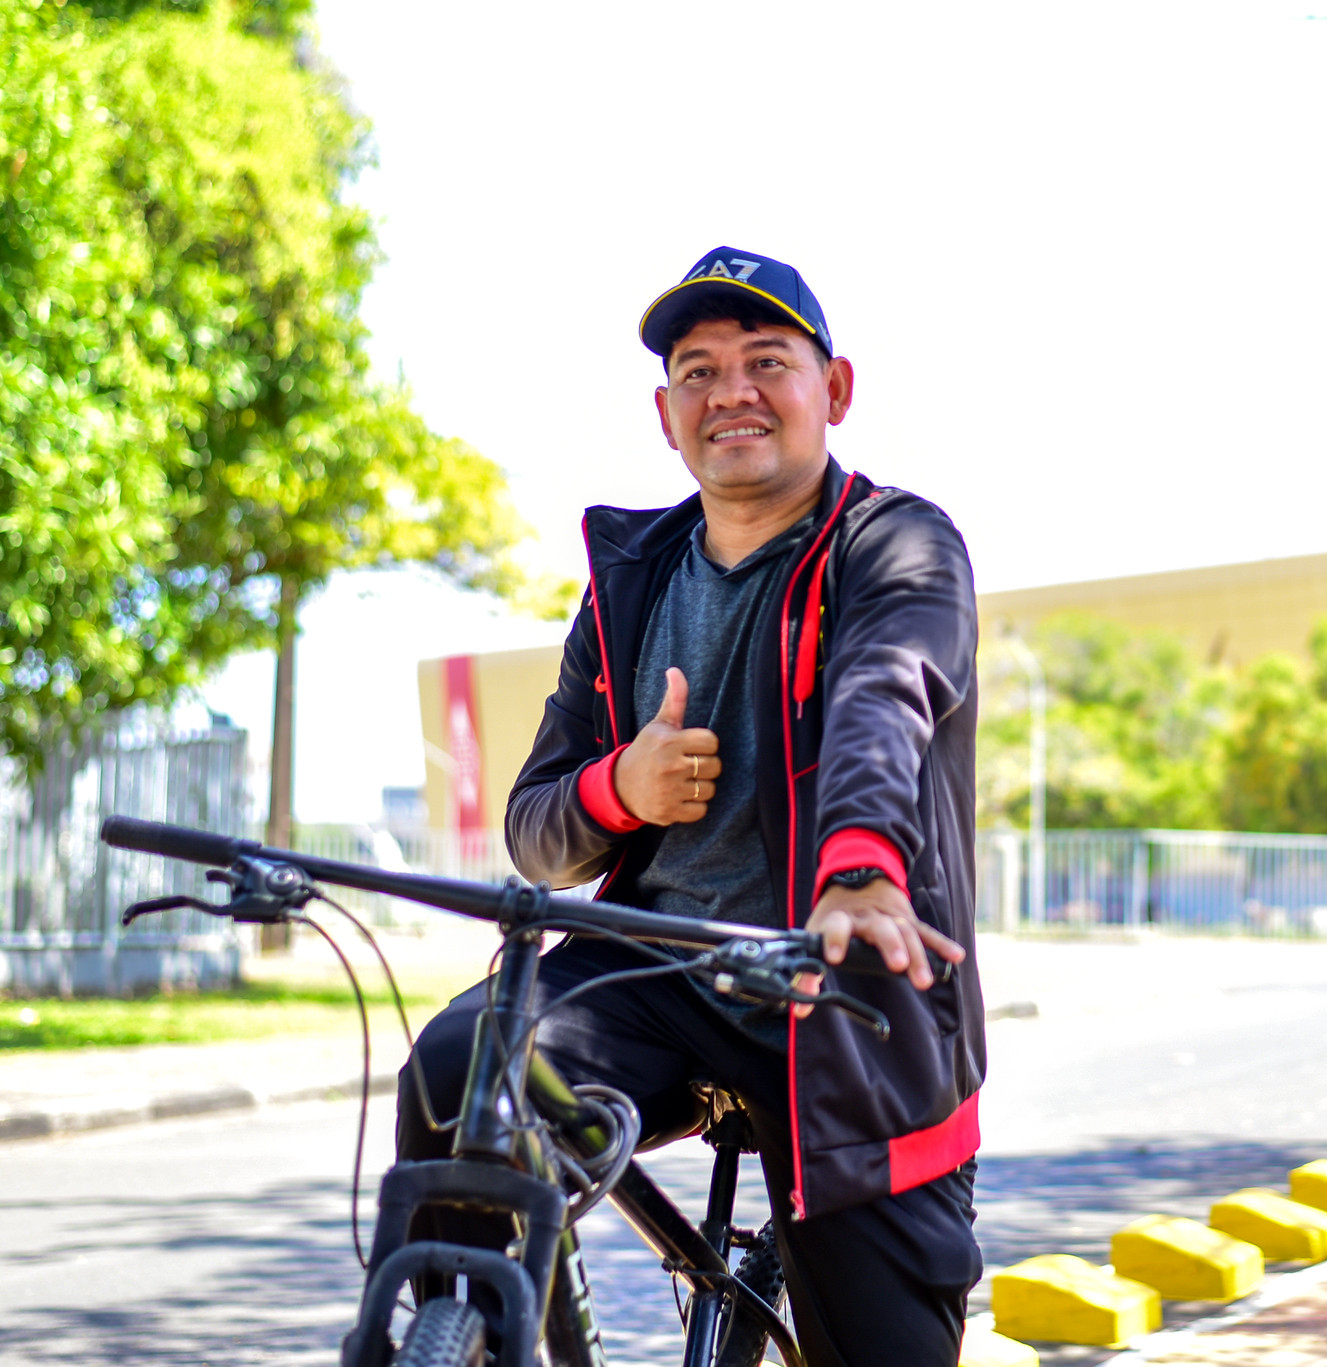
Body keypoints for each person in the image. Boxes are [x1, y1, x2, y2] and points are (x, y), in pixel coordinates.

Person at [395, 247, 985, 1367]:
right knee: (460, 1064)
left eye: (767, 361)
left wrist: (856, 864)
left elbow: (883, 701)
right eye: (698, 370)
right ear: (667, 415)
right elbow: (534, 823)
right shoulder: (630, 576)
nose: (732, 391)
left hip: (841, 986)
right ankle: (480, 1333)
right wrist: (623, 785)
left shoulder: (899, 544)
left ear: (836, 389)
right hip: (654, 967)